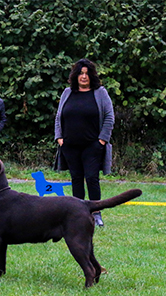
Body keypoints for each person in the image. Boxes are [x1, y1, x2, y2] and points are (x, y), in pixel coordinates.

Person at [54, 58, 114, 227]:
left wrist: (102, 140)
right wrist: (60, 139)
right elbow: (59, 117)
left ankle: (96, 214)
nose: (84, 77)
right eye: (81, 73)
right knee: (76, 179)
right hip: (70, 146)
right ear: (75, 75)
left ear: (92, 76)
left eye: (87, 74)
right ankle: (78, 214)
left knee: (92, 178)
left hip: (92, 146)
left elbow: (109, 117)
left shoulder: (100, 93)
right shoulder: (67, 93)